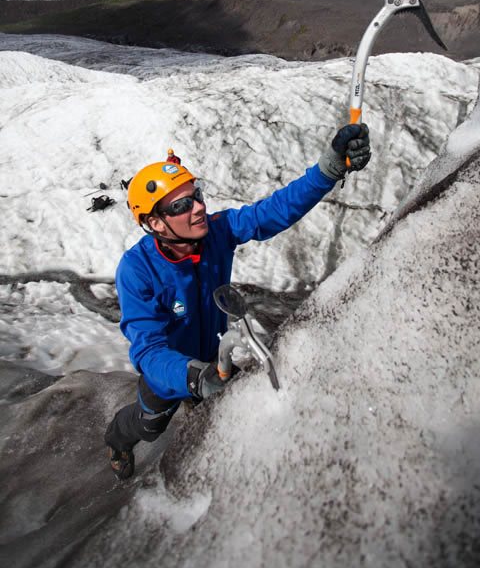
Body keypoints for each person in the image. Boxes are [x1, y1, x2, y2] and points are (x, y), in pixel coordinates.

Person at [105, 124, 371, 480]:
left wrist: (329, 169)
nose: (198, 208)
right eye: (182, 205)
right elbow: (147, 351)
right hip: (172, 375)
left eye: (196, 195)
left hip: (215, 363)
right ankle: (117, 441)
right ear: (156, 223)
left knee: (219, 427)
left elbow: (272, 212)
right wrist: (192, 376)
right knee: (149, 424)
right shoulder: (137, 270)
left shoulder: (217, 232)